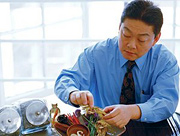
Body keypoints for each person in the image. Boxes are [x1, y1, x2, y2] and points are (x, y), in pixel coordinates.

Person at [54, 0, 179, 129]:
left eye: (141, 40)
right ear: (119, 27)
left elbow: (167, 101)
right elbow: (65, 79)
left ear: (156, 39)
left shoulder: (165, 61)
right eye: (126, 35)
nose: (131, 45)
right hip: (102, 127)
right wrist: (73, 93)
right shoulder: (97, 53)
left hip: (150, 128)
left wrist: (132, 111)